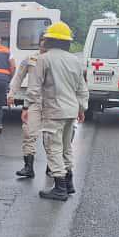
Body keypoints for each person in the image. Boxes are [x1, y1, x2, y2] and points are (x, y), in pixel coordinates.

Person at [26, 22, 89, 201]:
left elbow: (34, 89)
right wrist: (82, 108)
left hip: (54, 111)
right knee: (66, 148)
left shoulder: (43, 59)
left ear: (49, 40)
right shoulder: (75, 61)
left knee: (53, 148)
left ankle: (60, 188)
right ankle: (69, 183)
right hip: (71, 110)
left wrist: (31, 106)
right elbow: (82, 88)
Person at [7, 38, 46, 177]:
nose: (44, 46)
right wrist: (12, 94)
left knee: (50, 137)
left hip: (53, 103)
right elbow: (18, 77)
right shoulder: (30, 59)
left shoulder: (56, 60)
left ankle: (52, 168)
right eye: (43, 43)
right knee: (29, 133)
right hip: (34, 102)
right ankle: (28, 167)